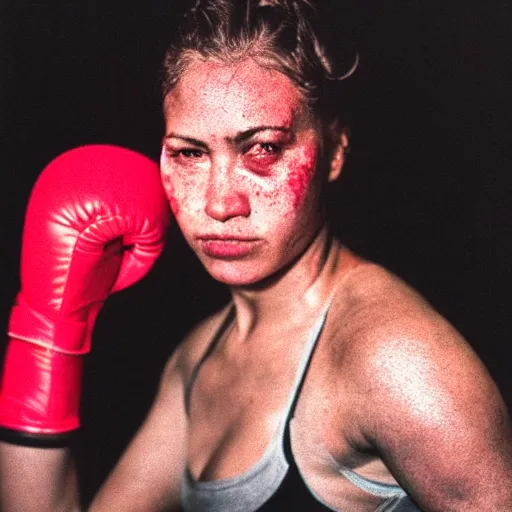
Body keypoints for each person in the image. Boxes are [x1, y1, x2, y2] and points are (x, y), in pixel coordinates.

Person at [1, 1, 511, 511]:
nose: (221, 203)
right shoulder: (197, 359)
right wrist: (48, 333)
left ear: (333, 151)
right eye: (190, 153)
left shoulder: (394, 359)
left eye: (262, 148)